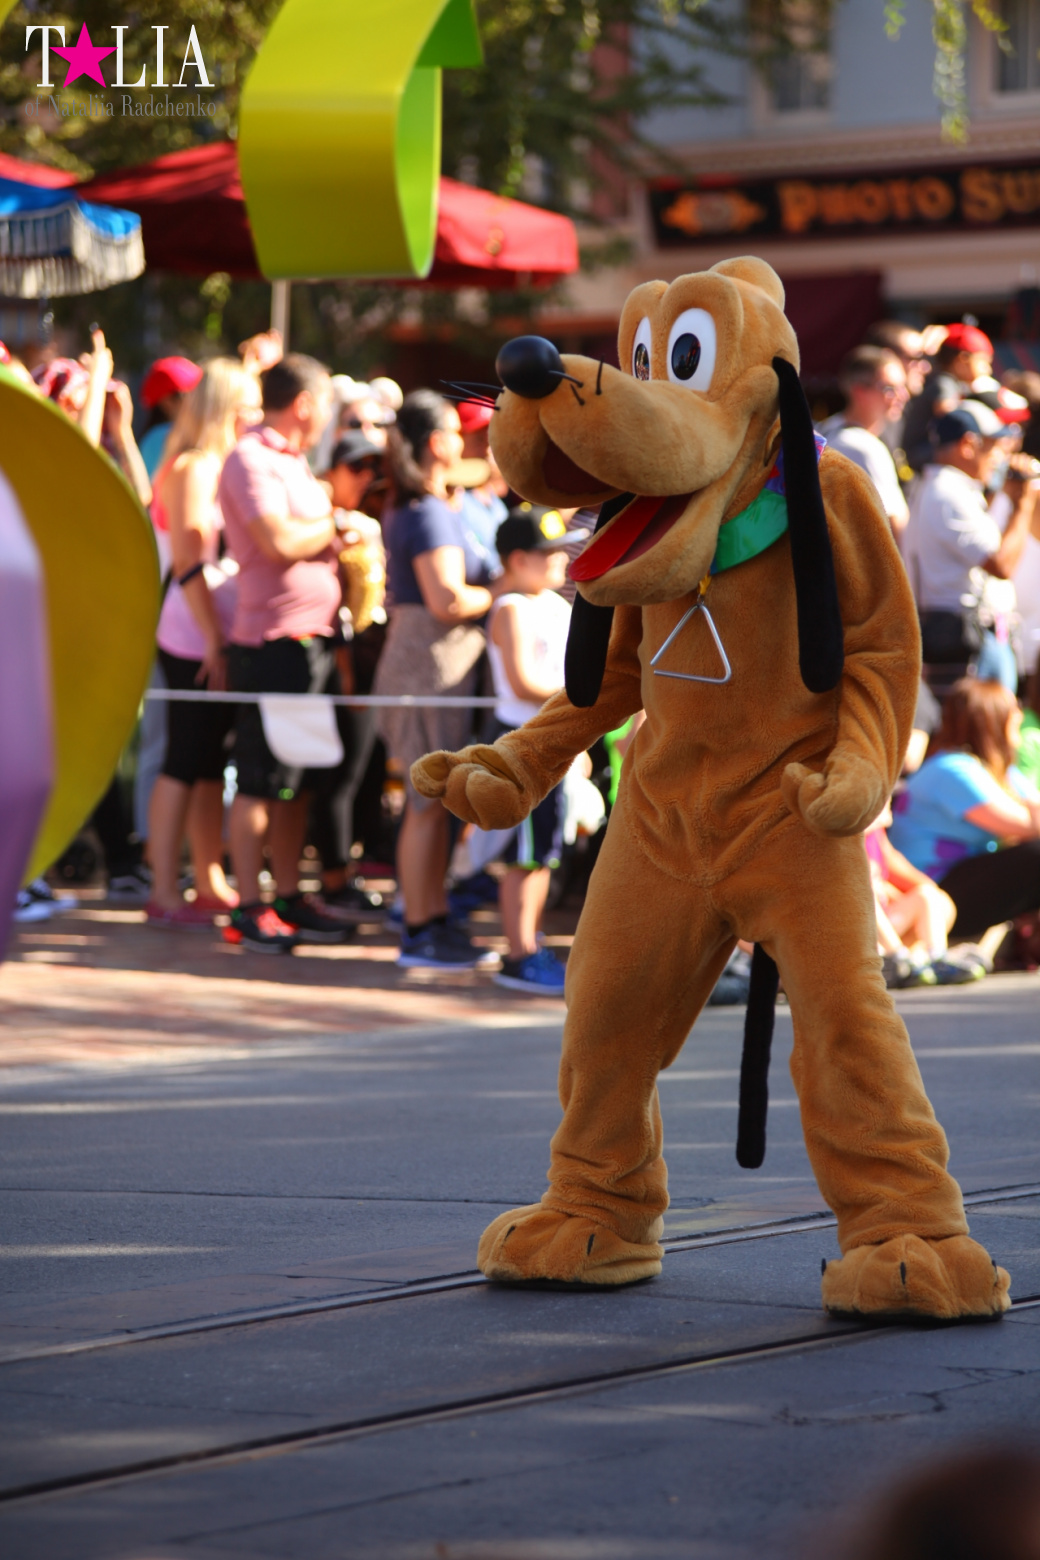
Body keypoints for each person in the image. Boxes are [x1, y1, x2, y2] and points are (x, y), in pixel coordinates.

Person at [218, 353, 355, 953]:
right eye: (325, 403)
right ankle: (249, 906)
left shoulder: (292, 460)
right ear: (304, 403)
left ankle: (289, 897)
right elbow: (276, 543)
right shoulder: (249, 458)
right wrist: (335, 523)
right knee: (260, 780)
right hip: (273, 645)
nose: (328, 416)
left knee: (296, 781)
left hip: (309, 643)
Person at [374, 389, 499, 969]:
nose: (464, 440)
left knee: (434, 801)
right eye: (454, 429)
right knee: (425, 802)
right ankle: (419, 928)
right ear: (434, 442)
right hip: (427, 668)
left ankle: (431, 916)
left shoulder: (428, 503)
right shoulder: (424, 510)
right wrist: (508, 590)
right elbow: (447, 600)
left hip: (439, 668)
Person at [145, 358, 262, 926]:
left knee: (210, 763)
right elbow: (191, 561)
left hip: (216, 630)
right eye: (249, 405)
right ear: (224, 409)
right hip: (193, 633)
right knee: (184, 758)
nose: (257, 416)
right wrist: (216, 639)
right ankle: (165, 886)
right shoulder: (194, 467)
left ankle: (208, 878)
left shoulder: (220, 464)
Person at [483, 505, 573, 996]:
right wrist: (580, 694)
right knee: (524, 855)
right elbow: (521, 682)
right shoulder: (510, 608)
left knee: (544, 855)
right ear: (517, 559)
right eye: (547, 553)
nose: (560, 560)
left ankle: (530, 942)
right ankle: (518, 952)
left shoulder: (555, 605)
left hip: (551, 741)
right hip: (521, 742)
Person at [889, 677, 1040, 945]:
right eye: (1012, 707)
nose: (1019, 713)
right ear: (991, 719)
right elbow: (1031, 826)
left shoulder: (988, 768)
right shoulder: (954, 769)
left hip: (952, 885)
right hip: (928, 891)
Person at [903, 401, 1039, 692]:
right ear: (967, 445)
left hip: (962, 635)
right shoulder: (948, 492)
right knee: (981, 733)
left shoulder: (940, 486)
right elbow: (1001, 565)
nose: (1001, 458)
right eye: (993, 447)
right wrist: (1023, 506)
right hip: (965, 639)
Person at [308, 431, 387, 917]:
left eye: (370, 469)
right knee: (336, 776)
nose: (364, 477)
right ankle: (333, 878)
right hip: (337, 661)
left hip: (367, 657)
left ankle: (343, 872)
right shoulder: (321, 519)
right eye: (354, 467)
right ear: (331, 470)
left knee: (359, 773)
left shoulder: (368, 521)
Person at [817, 345, 909, 534]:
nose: (903, 396)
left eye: (903, 387)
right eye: (890, 388)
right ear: (860, 391)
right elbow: (895, 526)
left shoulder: (825, 430)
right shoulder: (864, 448)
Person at [903, 320, 994, 472]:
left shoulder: (950, 382)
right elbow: (950, 417)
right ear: (962, 359)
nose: (988, 370)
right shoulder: (945, 382)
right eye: (984, 362)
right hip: (918, 455)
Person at [138, 356, 203, 480]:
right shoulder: (161, 437)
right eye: (191, 395)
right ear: (167, 402)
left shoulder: (152, 437)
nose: (198, 402)